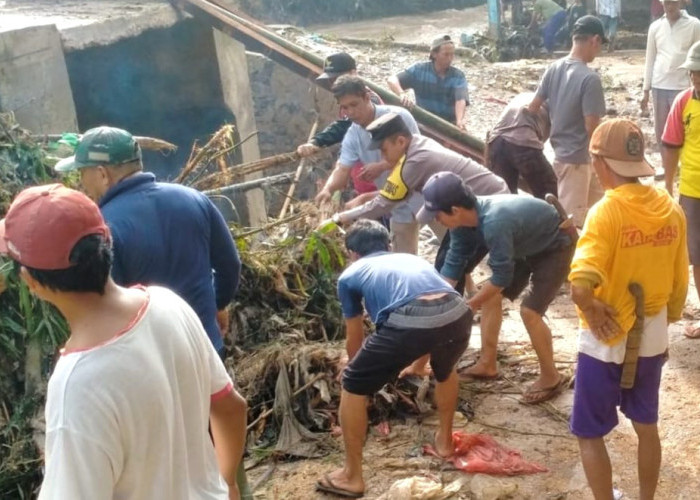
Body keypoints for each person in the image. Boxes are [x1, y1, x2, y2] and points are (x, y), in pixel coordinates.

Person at [0, 184, 248, 499]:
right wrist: (226, 482)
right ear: (107, 242)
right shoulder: (169, 304)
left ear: (31, 282)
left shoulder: (77, 386)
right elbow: (231, 408)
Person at [54, 126, 251, 496]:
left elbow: (107, 305)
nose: (81, 183)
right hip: (203, 348)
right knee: (219, 439)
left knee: (169, 457)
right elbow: (230, 265)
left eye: (82, 173)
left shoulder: (104, 228)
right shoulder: (193, 198)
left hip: (144, 368)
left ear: (102, 173)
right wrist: (218, 305)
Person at [569, 119, 688, 500]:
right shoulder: (670, 210)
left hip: (607, 337)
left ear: (601, 163)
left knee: (590, 432)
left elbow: (579, 284)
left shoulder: (606, 212)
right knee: (646, 424)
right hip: (651, 333)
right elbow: (678, 286)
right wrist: (663, 324)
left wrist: (590, 307)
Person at [315, 219, 472, 498]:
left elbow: (355, 335)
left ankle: (352, 476)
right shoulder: (410, 258)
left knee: (352, 384)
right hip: (457, 311)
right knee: (446, 371)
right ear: (387, 245)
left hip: (410, 319)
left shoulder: (350, 275)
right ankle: (445, 442)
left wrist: (356, 370)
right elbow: (431, 311)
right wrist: (419, 364)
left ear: (352, 253)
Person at [416, 171, 575, 403]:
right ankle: (488, 363)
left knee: (530, 312)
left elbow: (501, 277)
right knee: (490, 296)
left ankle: (551, 377)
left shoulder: (494, 222)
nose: (436, 220)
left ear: (455, 210)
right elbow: (454, 261)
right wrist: (437, 299)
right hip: (524, 245)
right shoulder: (462, 224)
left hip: (555, 246)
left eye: (437, 215)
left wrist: (469, 306)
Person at [314, 75, 426, 253]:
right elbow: (342, 168)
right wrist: (328, 189)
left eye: (354, 104)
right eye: (345, 107)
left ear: (367, 97)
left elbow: (417, 156)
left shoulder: (399, 116)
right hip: (395, 203)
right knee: (403, 259)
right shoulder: (353, 135)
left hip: (426, 194)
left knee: (452, 253)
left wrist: (382, 166)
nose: (350, 112)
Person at [529, 15, 607, 227]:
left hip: (562, 156)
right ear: (594, 40)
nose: (598, 52)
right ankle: (568, 260)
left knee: (603, 212)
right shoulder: (589, 79)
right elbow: (592, 127)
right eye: (599, 46)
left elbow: (533, 108)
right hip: (578, 161)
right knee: (570, 225)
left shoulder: (553, 68)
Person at [296, 52, 379, 196]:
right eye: (331, 80)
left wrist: (317, 142)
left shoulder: (370, 101)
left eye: (337, 78)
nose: (334, 84)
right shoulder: (346, 104)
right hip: (362, 178)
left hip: (378, 179)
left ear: (353, 74)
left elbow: (343, 126)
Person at [661, 40, 700, 339]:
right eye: (692, 73)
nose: (696, 78)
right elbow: (671, 146)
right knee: (697, 255)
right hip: (692, 191)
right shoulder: (683, 102)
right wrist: (668, 186)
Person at [641, 0, 700, 148]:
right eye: (667, 3)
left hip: (683, 85)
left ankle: (682, 164)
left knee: (684, 128)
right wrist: (645, 90)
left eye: (673, 3)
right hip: (659, 84)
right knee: (661, 131)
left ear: (680, 3)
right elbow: (650, 58)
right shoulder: (655, 27)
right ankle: (666, 166)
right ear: (662, 4)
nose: (670, 7)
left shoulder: (694, 25)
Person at [387, 35, 469, 129]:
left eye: (452, 54)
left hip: (449, 125)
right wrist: (401, 93)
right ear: (434, 54)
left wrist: (459, 120)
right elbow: (392, 80)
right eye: (446, 54)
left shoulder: (458, 76)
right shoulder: (419, 70)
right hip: (424, 123)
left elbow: (460, 100)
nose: (450, 58)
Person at [486, 92, 557, 198]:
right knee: (549, 192)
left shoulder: (524, 96)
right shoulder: (556, 108)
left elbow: (491, 133)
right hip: (524, 141)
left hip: (496, 141)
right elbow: (556, 142)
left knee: (504, 195)